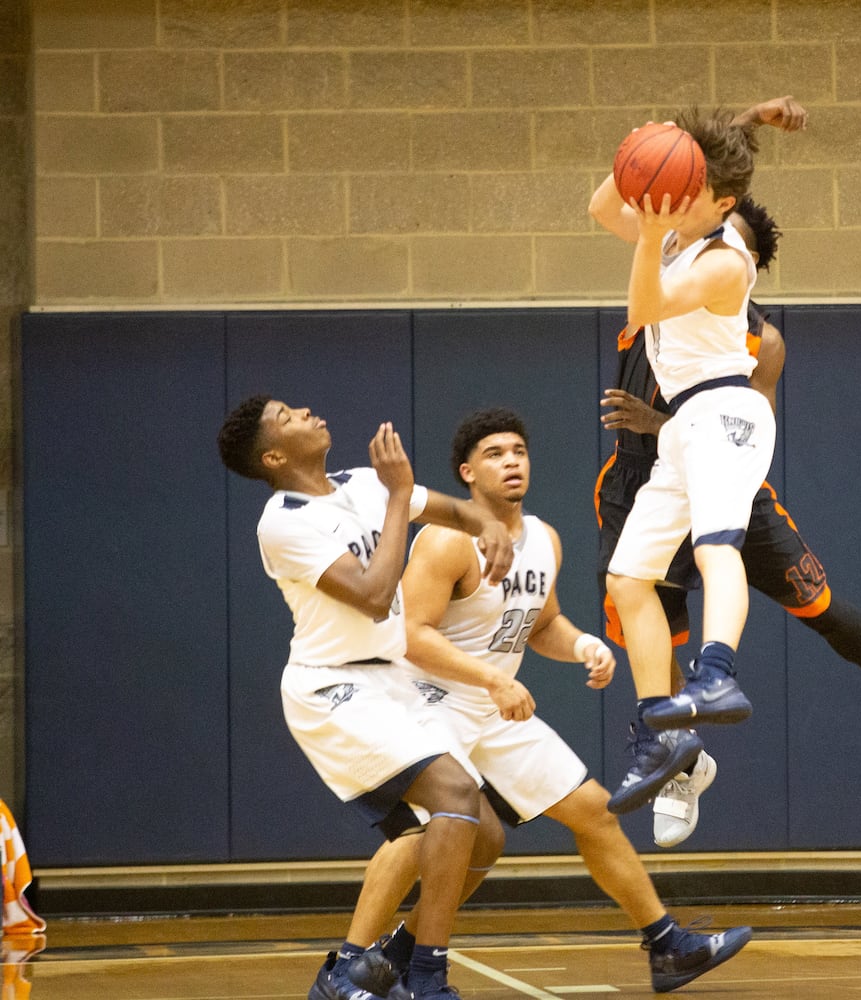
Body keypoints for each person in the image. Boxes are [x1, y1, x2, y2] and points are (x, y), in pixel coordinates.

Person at [595, 195, 861, 848]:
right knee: (651, 624)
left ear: (745, 266)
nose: (708, 244)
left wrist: (662, 422)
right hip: (643, 481)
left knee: (820, 605)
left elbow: (751, 423)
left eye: (725, 241)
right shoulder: (664, 268)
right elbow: (637, 202)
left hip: (724, 468)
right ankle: (683, 763)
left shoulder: (760, 338)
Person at [388, 407, 750, 994]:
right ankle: (373, 959)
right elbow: (413, 636)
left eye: (518, 451)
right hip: (430, 706)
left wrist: (583, 643)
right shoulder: (446, 541)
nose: (511, 462)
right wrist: (494, 680)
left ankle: (665, 946)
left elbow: (541, 623)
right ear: (467, 473)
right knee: (438, 842)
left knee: (595, 810)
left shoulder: (544, 540)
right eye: (494, 454)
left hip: (492, 709)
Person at [217, 397, 514, 1000]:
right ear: (274, 454)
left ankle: (384, 961)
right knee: (452, 798)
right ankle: (418, 976)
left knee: (484, 835)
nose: (305, 410)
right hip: (332, 685)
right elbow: (376, 596)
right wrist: (400, 494)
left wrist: (488, 527)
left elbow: (454, 508)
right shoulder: (283, 520)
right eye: (286, 415)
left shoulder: (360, 482)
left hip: (391, 679)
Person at [588, 104, 777, 814]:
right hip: (683, 429)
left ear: (722, 201)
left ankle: (719, 672)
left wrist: (647, 234)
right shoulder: (671, 232)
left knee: (714, 546)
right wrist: (653, 144)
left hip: (727, 411)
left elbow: (644, 309)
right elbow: (599, 202)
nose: (668, 200)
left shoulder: (726, 259)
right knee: (629, 577)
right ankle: (662, 738)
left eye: (686, 186)